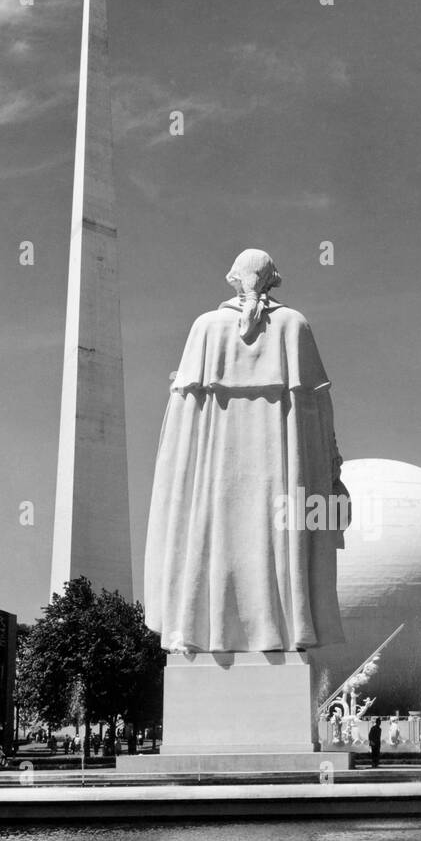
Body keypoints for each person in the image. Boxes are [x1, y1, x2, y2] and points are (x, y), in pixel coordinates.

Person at [145, 250, 349, 653]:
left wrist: (174, 489)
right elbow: (319, 421)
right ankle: (284, 630)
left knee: (213, 534)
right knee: (281, 535)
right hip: (284, 480)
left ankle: (200, 629)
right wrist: (331, 476)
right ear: (272, 279)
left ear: (235, 279)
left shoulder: (205, 328)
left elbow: (179, 432)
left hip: (213, 478)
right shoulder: (294, 326)